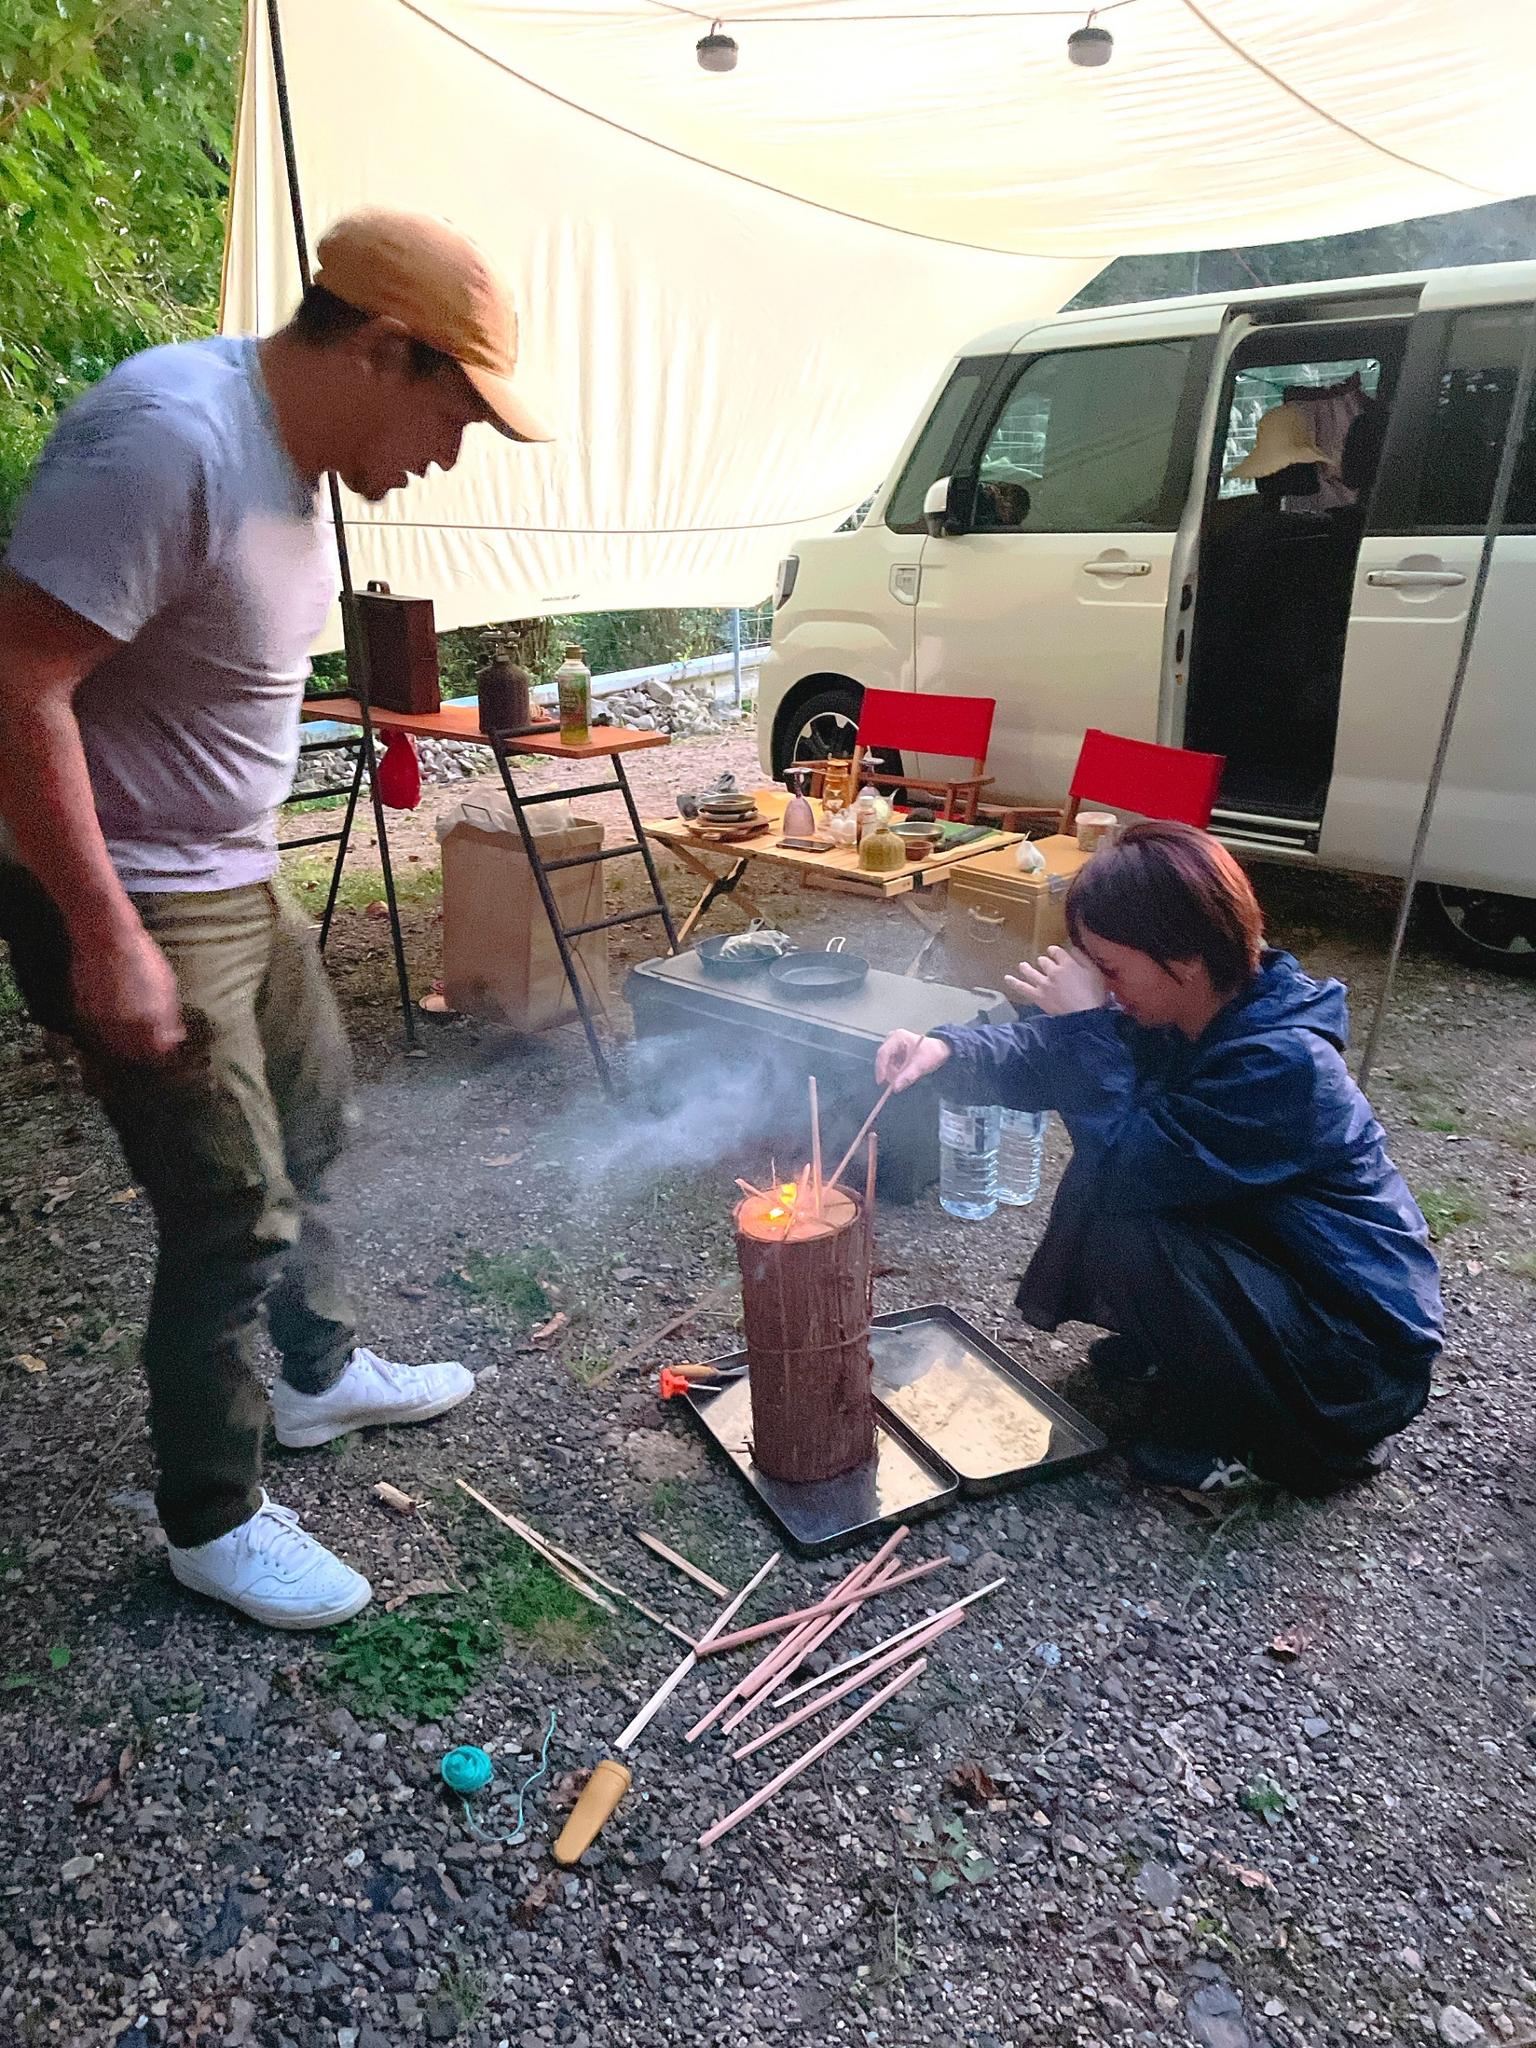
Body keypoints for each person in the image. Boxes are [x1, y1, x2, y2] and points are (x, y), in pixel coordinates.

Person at [0, 209, 555, 1627]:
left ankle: (314, 1382)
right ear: (380, 350)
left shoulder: (293, 461)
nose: (450, 453)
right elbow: (18, 681)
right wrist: (103, 930)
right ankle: (213, 1516)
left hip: (235, 877)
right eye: (454, 413)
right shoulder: (167, 441)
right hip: (138, 895)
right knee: (232, 1210)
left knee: (314, 1132)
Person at [876, 821, 1443, 1495]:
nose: (1107, 988)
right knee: (1125, 1180)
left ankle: (1280, 1445)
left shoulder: (1282, 1064)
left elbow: (1123, 1162)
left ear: (1188, 955)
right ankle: (1195, 1362)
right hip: (1293, 1289)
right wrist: (948, 1050)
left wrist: (1085, 1025)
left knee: (1127, 1214)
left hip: (1355, 1360)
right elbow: (1053, 1058)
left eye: (1112, 969)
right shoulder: (1196, 1009)